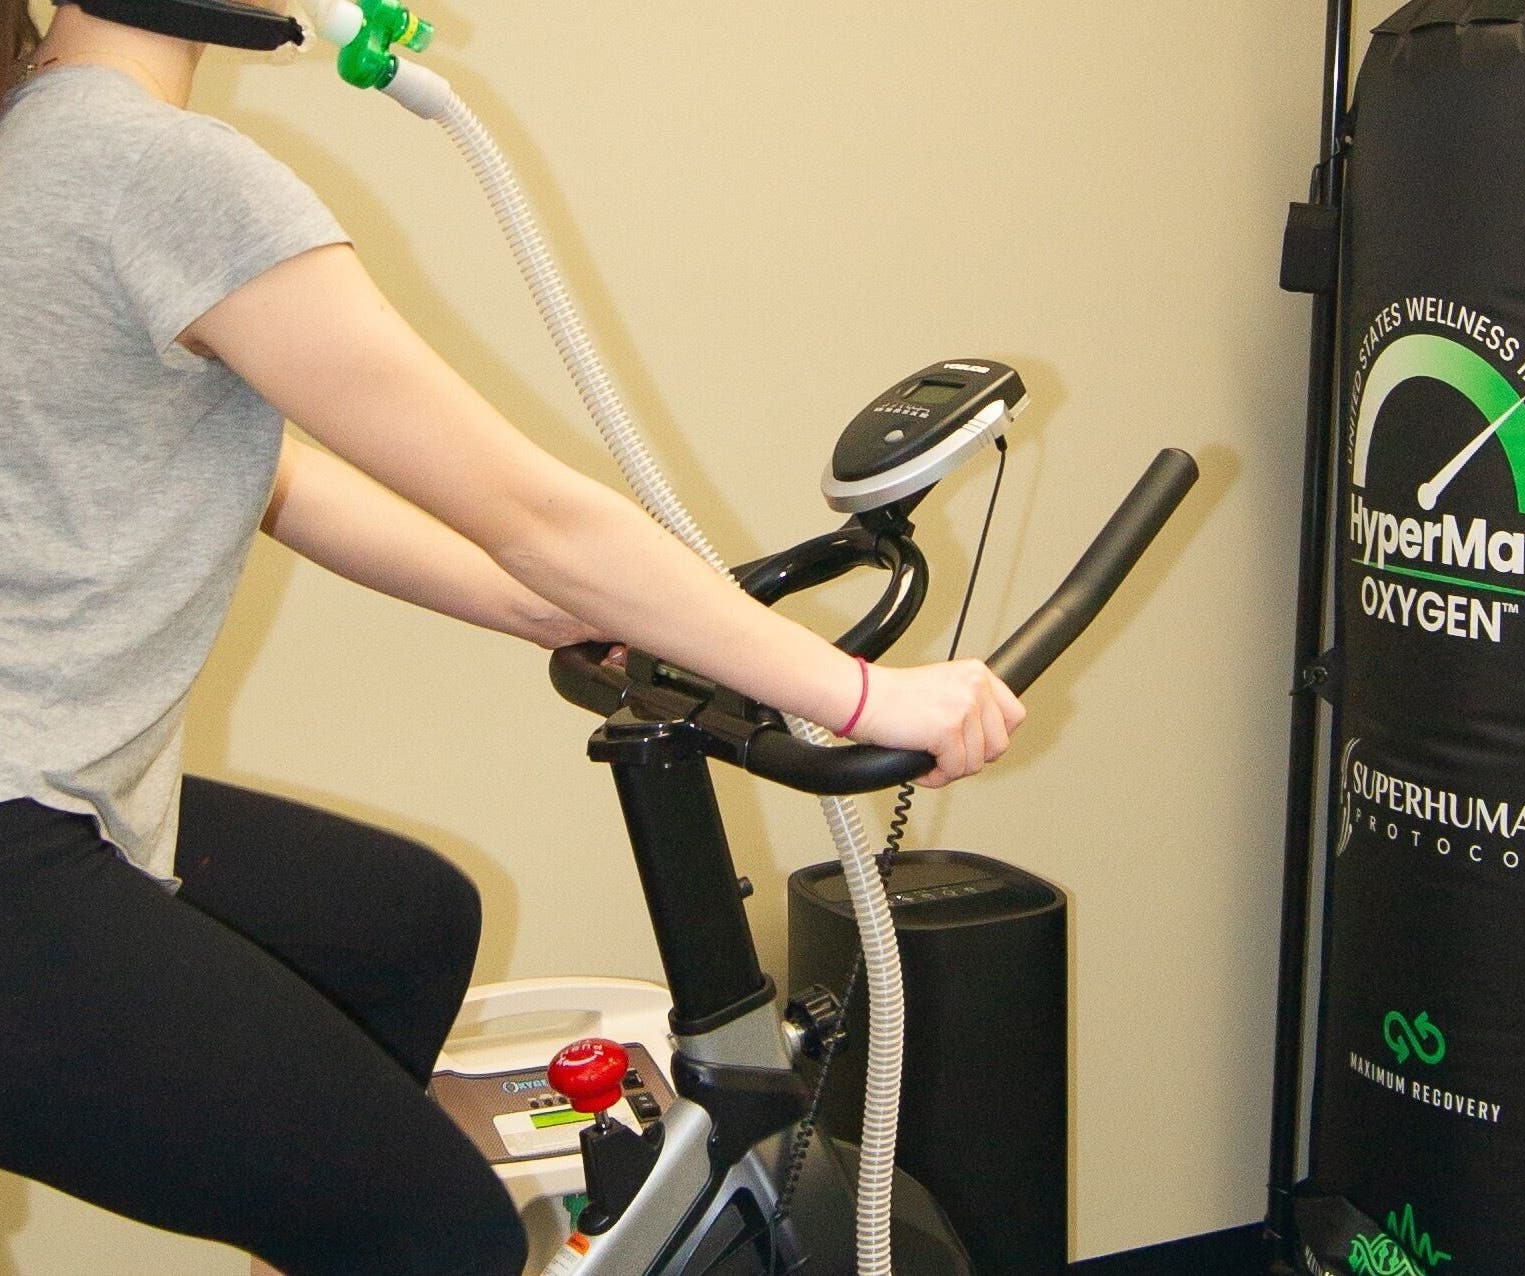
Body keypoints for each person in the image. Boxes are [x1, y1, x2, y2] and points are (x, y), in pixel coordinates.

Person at [0, 3, 1026, 1273]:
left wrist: (543, 606)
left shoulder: (40, 135)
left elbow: (268, 479)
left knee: (399, 925)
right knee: (439, 1235)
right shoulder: (165, 172)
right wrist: (861, 696)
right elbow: (535, 514)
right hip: (21, 823)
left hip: (61, 784)